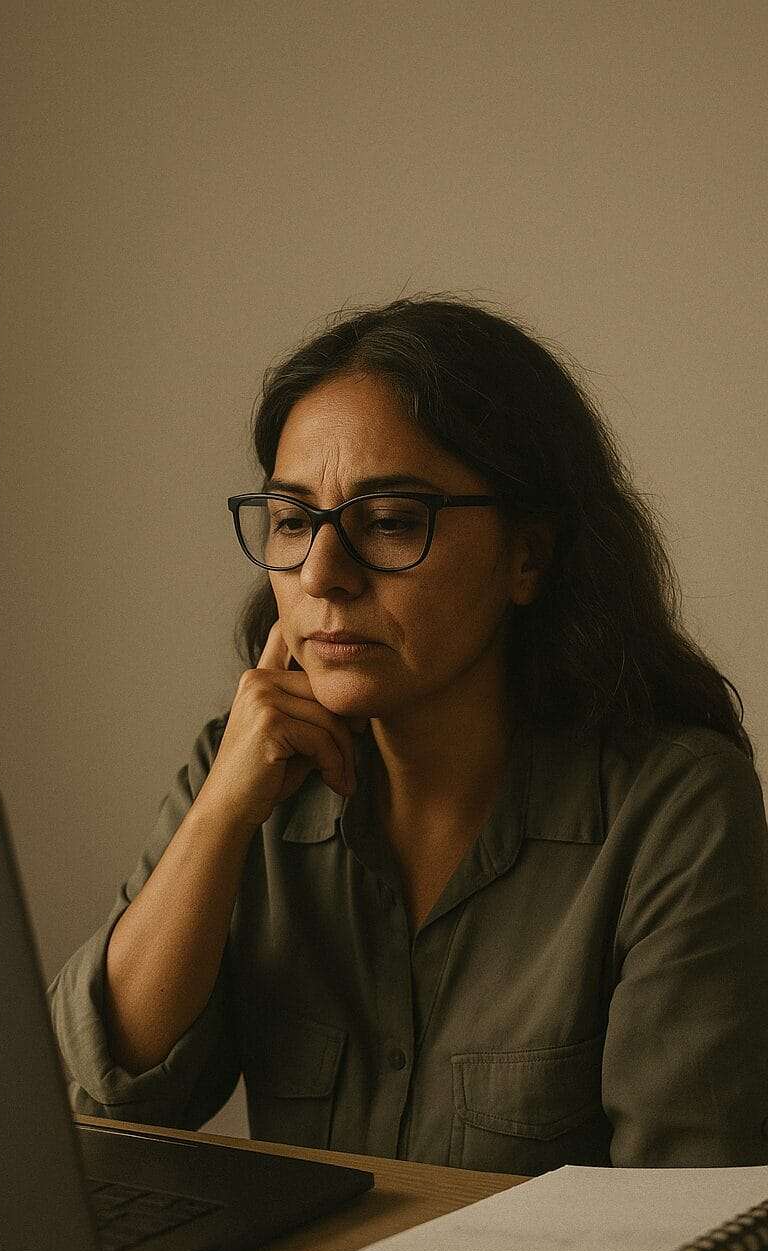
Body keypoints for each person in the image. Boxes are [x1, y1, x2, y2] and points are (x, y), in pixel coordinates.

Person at [48, 296, 768, 1173]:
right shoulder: (244, 766)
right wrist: (219, 818)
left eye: (390, 522)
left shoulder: (672, 807)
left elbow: (680, 1211)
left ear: (529, 557)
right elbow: (105, 1099)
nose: (322, 574)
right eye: (290, 520)